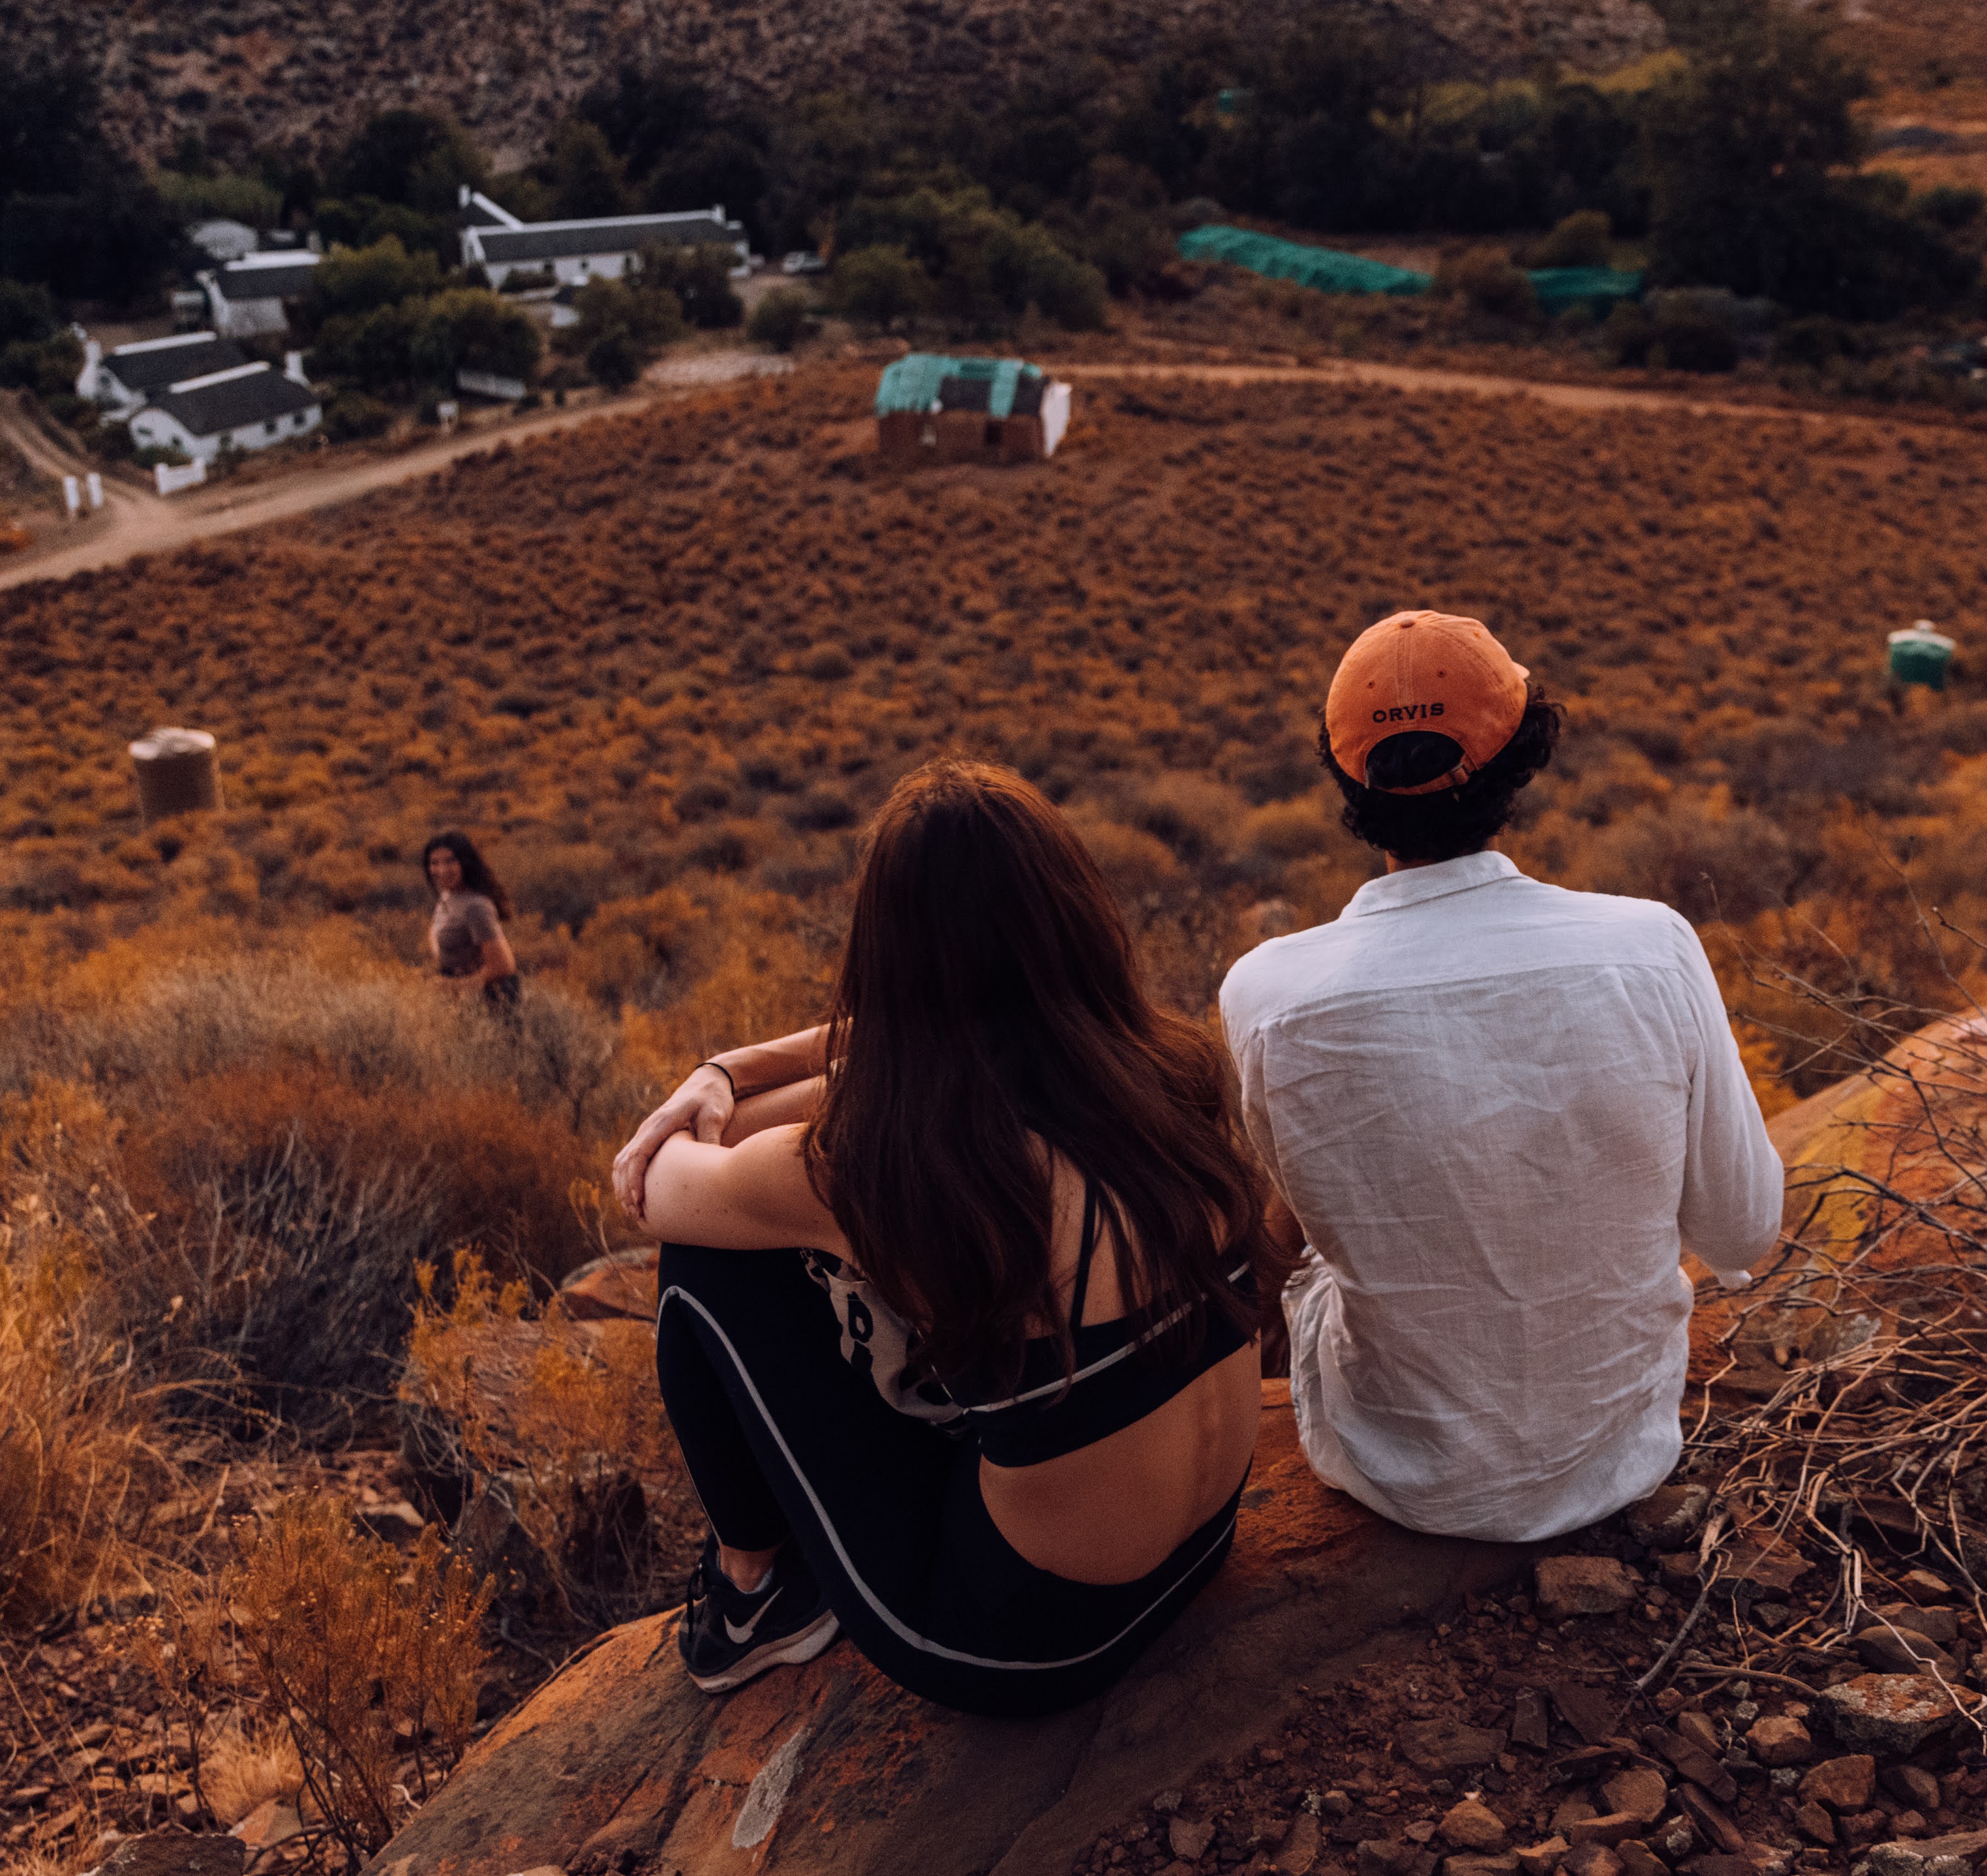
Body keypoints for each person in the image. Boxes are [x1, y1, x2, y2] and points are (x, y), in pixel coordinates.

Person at [605, 760, 1284, 1712]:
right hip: (1201, 1548)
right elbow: (916, 1062)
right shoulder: (1161, 1070)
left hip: (1030, 1646)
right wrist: (730, 1070)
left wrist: (716, 1081)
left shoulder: (883, 1167)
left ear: (889, 957)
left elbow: (658, 1189)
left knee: (706, 1262)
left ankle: (754, 1594)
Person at [1216, 610, 1783, 1543]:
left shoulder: (1266, 989)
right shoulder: (1652, 945)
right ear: (1520, 760)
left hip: (1398, 1475)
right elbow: (1744, 1229)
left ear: (1346, 775)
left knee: (1315, 1229)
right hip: (1621, 1453)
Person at [422, 830, 519, 1006]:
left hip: (490, 1003)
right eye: (434, 863)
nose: (442, 870)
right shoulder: (448, 896)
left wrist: (454, 986)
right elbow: (437, 927)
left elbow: (503, 966)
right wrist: (443, 958)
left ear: (465, 862)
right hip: (462, 997)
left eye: (450, 861)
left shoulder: (475, 907)